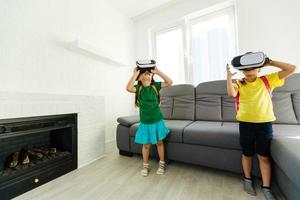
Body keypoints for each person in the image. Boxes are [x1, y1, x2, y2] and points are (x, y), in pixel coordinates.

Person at [226, 58, 296, 200]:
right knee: (247, 154)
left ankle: (266, 187)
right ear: (241, 70)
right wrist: (228, 78)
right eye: (245, 67)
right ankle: (247, 180)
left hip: (264, 125)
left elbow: (291, 69)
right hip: (245, 125)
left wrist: (270, 62)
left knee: (263, 156)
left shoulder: (267, 80)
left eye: (253, 66)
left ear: (259, 68)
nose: (249, 68)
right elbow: (232, 94)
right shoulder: (239, 83)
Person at [126, 66, 173, 176]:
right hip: (145, 123)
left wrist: (157, 71)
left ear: (152, 76)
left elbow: (169, 82)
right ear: (140, 77)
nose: (147, 74)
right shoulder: (138, 88)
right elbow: (128, 88)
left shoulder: (155, 86)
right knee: (146, 145)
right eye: (144, 73)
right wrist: (134, 74)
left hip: (157, 121)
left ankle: (162, 164)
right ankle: (145, 166)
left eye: (149, 73)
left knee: (159, 142)